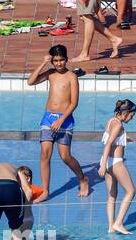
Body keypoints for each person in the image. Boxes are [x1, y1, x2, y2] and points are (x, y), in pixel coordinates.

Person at [27, 46, 90, 199]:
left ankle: (82, 178)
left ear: (66, 60)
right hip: (48, 118)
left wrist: (61, 120)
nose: (59, 63)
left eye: (61, 60)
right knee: (44, 155)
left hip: (65, 119)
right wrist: (43, 63)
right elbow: (31, 81)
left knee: (65, 157)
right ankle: (46, 191)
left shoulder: (71, 77)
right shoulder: (50, 74)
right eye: (55, 61)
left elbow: (74, 103)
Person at [98, 98, 136, 233]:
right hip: (115, 162)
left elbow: (111, 138)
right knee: (131, 191)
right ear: (125, 113)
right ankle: (119, 223)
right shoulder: (119, 125)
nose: (131, 118)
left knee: (112, 194)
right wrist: (102, 166)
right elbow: (108, 143)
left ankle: (111, 226)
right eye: (131, 115)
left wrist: (125, 138)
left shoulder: (111, 121)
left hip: (107, 160)